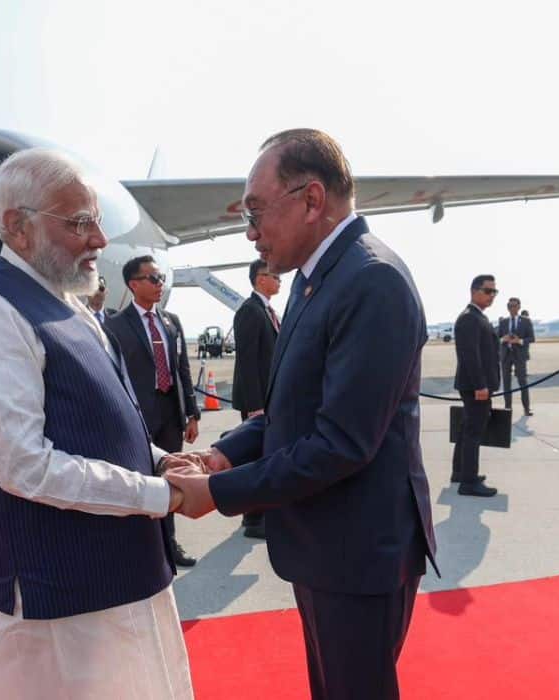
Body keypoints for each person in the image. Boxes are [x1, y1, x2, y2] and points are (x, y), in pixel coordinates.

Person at [165, 129, 437, 699]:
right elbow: (289, 408)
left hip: (358, 551)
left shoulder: (371, 280)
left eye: (258, 211)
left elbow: (340, 442)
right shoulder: (317, 281)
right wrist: (223, 453)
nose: (250, 231)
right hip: (325, 544)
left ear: (312, 200)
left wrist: (219, 493)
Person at [0, 148, 194, 698]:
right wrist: (160, 495)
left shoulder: (70, 305)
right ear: (17, 226)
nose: (99, 240)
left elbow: (107, 415)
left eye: (95, 221)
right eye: (79, 223)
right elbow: (23, 465)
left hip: (124, 573)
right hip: (59, 593)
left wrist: (160, 460)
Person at [104, 255, 201, 567]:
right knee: (141, 482)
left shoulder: (171, 322)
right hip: (139, 418)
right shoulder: (116, 326)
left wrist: (192, 412)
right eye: (153, 279)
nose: (161, 284)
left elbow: (182, 368)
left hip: (171, 414)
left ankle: (170, 544)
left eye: (161, 278)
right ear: (134, 284)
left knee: (171, 479)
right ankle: (145, 547)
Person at [229, 258, 282, 539]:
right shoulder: (250, 311)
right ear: (260, 279)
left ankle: (258, 512)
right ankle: (253, 518)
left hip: (269, 399)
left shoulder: (267, 310)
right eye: (274, 276)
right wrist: (254, 406)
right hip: (257, 401)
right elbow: (247, 362)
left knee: (265, 455)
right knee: (254, 458)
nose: (279, 281)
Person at [453, 276, 501, 496]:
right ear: (474, 291)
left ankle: (460, 473)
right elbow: (470, 356)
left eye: (494, 292)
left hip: (476, 386)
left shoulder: (477, 317)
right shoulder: (469, 319)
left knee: (466, 430)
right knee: (473, 433)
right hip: (475, 387)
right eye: (488, 291)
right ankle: (469, 482)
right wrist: (481, 385)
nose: (492, 296)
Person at [497, 296, 534, 416]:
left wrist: (520, 341)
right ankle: (508, 408)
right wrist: (504, 339)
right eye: (510, 306)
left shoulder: (526, 321)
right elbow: (496, 338)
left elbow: (532, 338)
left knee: (523, 381)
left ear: (519, 307)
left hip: (519, 356)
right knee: (506, 383)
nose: (512, 308)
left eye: (514, 306)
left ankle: (526, 408)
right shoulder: (503, 322)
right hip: (506, 356)